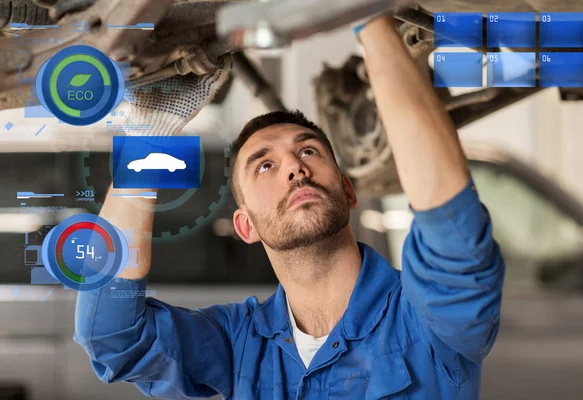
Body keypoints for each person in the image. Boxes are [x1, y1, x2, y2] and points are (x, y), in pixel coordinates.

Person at [74, 13, 505, 399]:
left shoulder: (421, 318)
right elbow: (114, 339)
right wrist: (144, 142)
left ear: (348, 190)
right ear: (246, 227)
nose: (294, 169)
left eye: (309, 151)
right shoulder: (238, 344)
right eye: (265, 166)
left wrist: (371, 18)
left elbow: (454, 231)